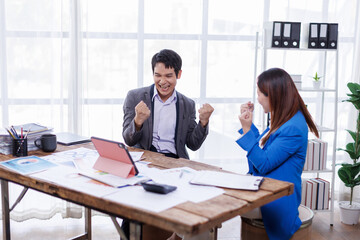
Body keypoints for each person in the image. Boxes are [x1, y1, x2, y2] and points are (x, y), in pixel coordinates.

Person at [121, 49, 214, 239]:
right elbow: (128, 139)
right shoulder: (135, 97)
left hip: (174, 163)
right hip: (145, 159)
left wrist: (203, 123)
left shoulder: (187, 104)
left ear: (179, 75)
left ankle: (171, 234)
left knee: (176, 205)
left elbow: (193, 143)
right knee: (133, 206)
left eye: (169, 76)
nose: (163, 81)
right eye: (158, 75)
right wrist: (138, 121)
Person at [236, 68, 319, 240]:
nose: (257, 99)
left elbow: (264, 163)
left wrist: (246, 129)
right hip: (265, 190)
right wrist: (249, 126)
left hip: (276, 200)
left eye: (259, 94)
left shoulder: (293, 127)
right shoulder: (285, 117)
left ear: (272, 96)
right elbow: (264, 146)